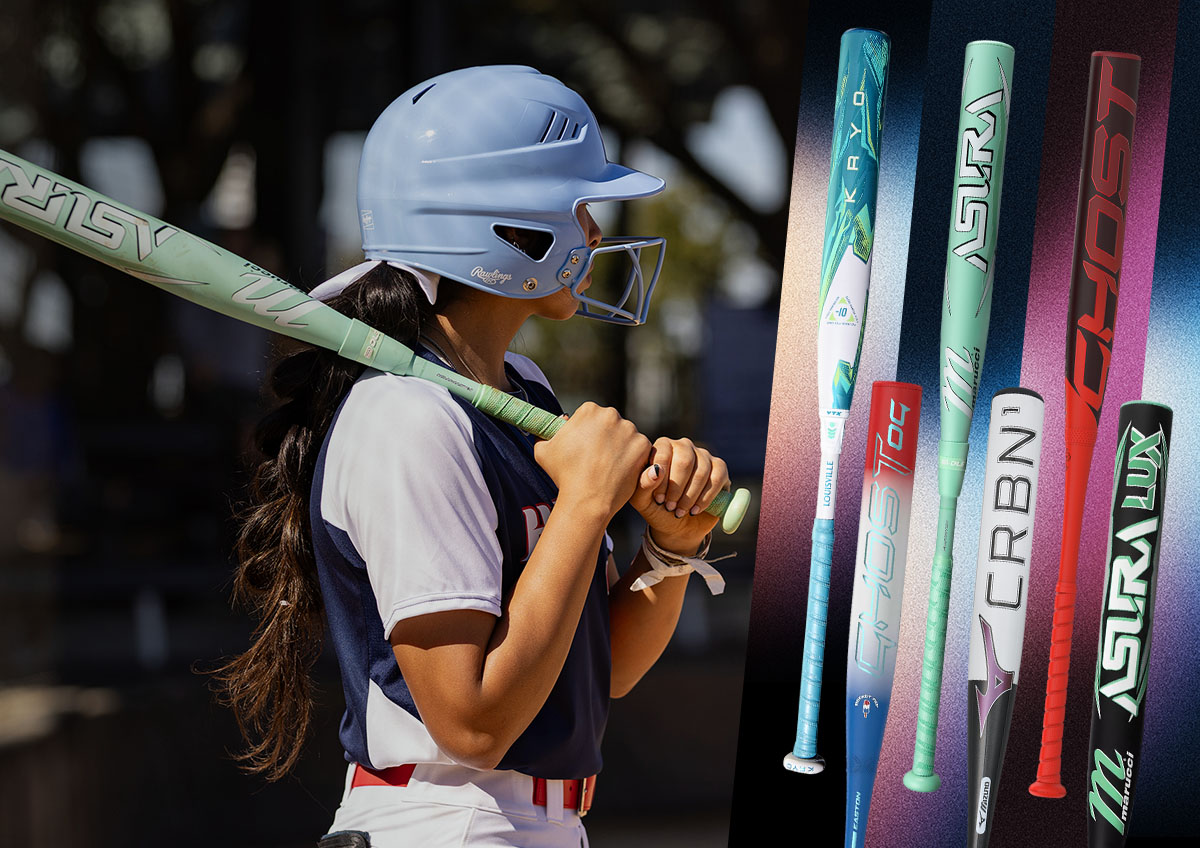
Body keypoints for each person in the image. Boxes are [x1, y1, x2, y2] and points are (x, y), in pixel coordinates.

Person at [215, 65, 732, 848]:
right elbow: (472, 722)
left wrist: (669, 548)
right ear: (506, 227)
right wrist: (587, 504)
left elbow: (603, 670)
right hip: (446, 818)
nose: (593, 232)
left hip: (531, 821)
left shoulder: (522, 388)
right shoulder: (405, 417)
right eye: (575, 206)